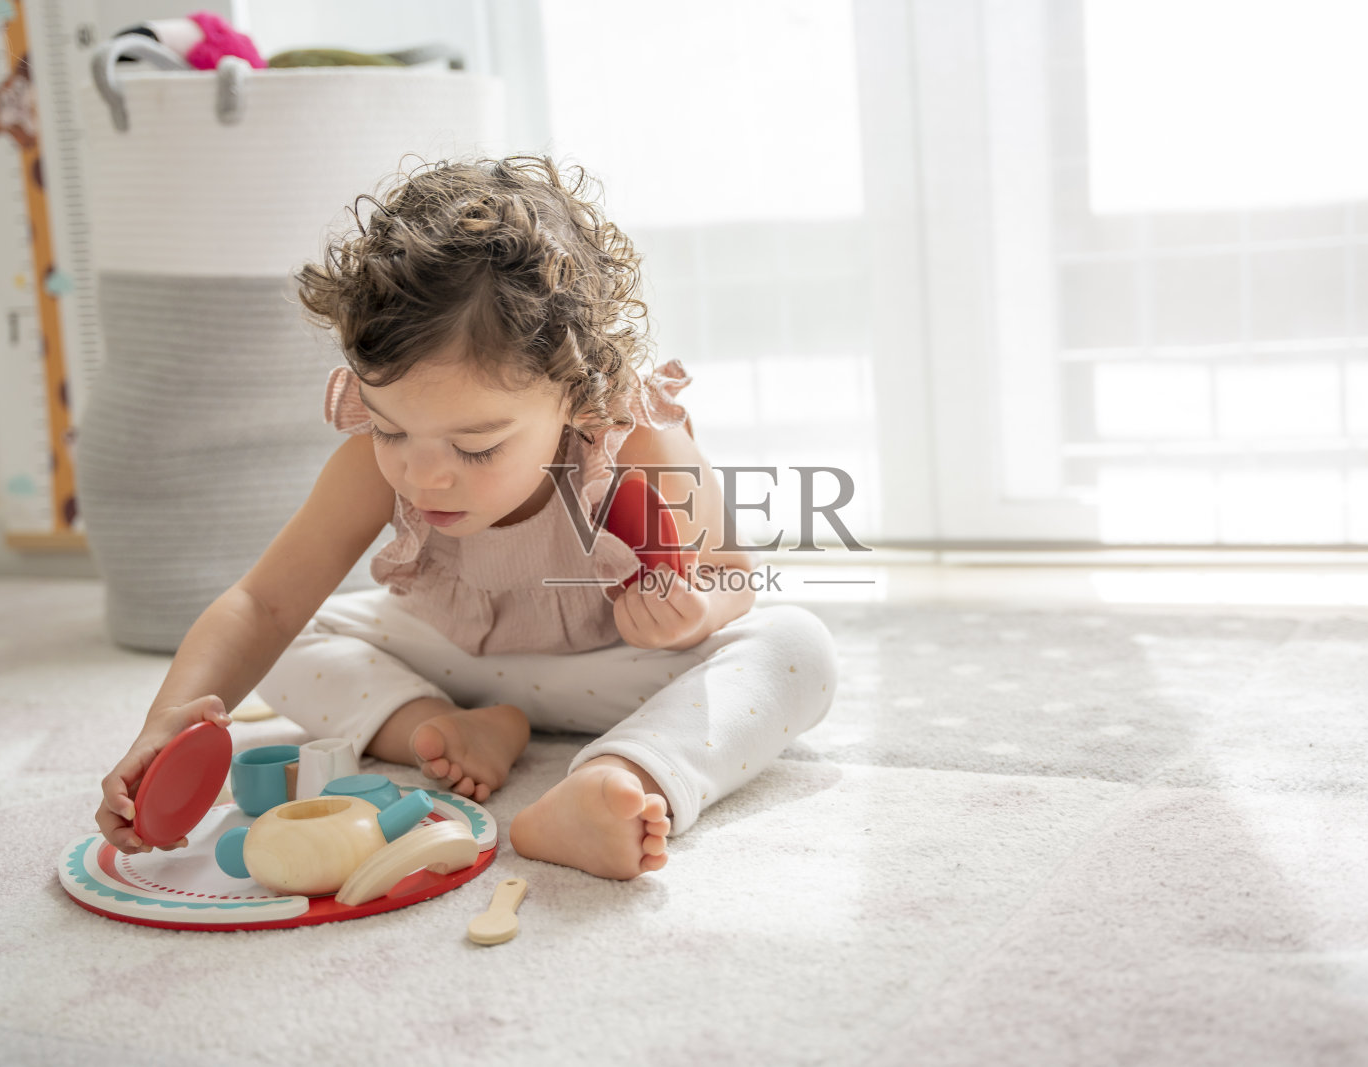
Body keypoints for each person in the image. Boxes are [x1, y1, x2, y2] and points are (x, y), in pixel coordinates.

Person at [94, 156, 838, 880]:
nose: (422, 475)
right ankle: (443, 724)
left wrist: (691, 612)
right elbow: (264, 605)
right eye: (391, 431)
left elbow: (731, 575)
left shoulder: (634, 439)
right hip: (455, 664)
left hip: (611, 671)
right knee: (294, 643)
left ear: (578, 393)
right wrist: (164, 726)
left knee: (795, 646)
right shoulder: (369, 464)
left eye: (476, 446)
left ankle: (616, 775)